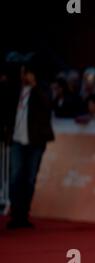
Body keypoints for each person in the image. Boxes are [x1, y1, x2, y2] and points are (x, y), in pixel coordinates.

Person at [5, 60, 54, 229]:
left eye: (27, 72)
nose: (24, 75)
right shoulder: (14, 89)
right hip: (17, 139)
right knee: (15, 176)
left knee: (30, 178)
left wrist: (35, 86)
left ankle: (24, 213)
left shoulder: (43, 89)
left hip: (35, 141)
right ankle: (15, 212)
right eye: (22, 72)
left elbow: (48, 105)